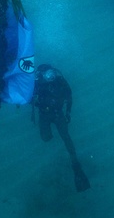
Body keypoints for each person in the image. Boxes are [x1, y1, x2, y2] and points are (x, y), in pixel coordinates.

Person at [32, 64, 91, 192]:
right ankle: (58, 149)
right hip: (44, 115)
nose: (48, 77)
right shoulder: (37, 83)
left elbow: (69, 96)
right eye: (44, 74)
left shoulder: (60, 81)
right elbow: (30, 97)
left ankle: (75, 162)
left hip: (58, 113)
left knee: (66, 136)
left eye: (50, 74)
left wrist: (68, 112)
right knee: (46, 138)